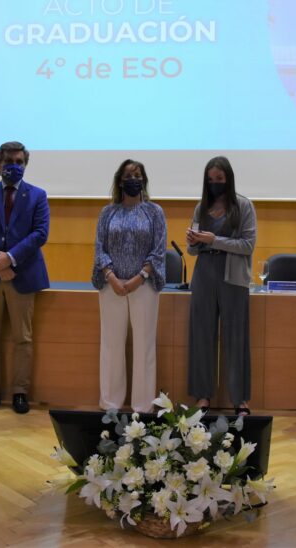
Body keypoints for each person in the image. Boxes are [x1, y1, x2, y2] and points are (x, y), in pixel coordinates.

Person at [0, 142, 50, 414]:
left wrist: (10, 258)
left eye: (19, 161)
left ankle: (20, 392)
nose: (13, 166)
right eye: (8, 162)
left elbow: (40, 234)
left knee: (22, 338)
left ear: (25, 165)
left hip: (23, 274)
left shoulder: (38, 196)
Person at [91, 159, 167, 414]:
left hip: (143, 287)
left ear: (143, 180)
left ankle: (143, 407)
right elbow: (99, 248)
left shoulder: (154, 212)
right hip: (111, 286)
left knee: (144, 345)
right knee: (111, 345)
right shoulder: (108, 212)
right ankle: (111, 404)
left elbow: (158, 251)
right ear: (119, 181)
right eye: (128, 175)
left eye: (137, 175)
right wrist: (111, 276)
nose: (133, 179)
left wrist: (139, 278)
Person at [186, 156, 256, 416]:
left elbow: (247, 245)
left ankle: (240, 400)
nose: (215, 184)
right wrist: (193, 241)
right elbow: (192, 250)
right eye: (210, 180)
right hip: (204, 273)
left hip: (233, 277)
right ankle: (203, 396)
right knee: (202, 335)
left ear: (228, 179)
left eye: (219, 179)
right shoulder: (200, 208)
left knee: (236, 337)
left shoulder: (244, 206)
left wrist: (214, 240)